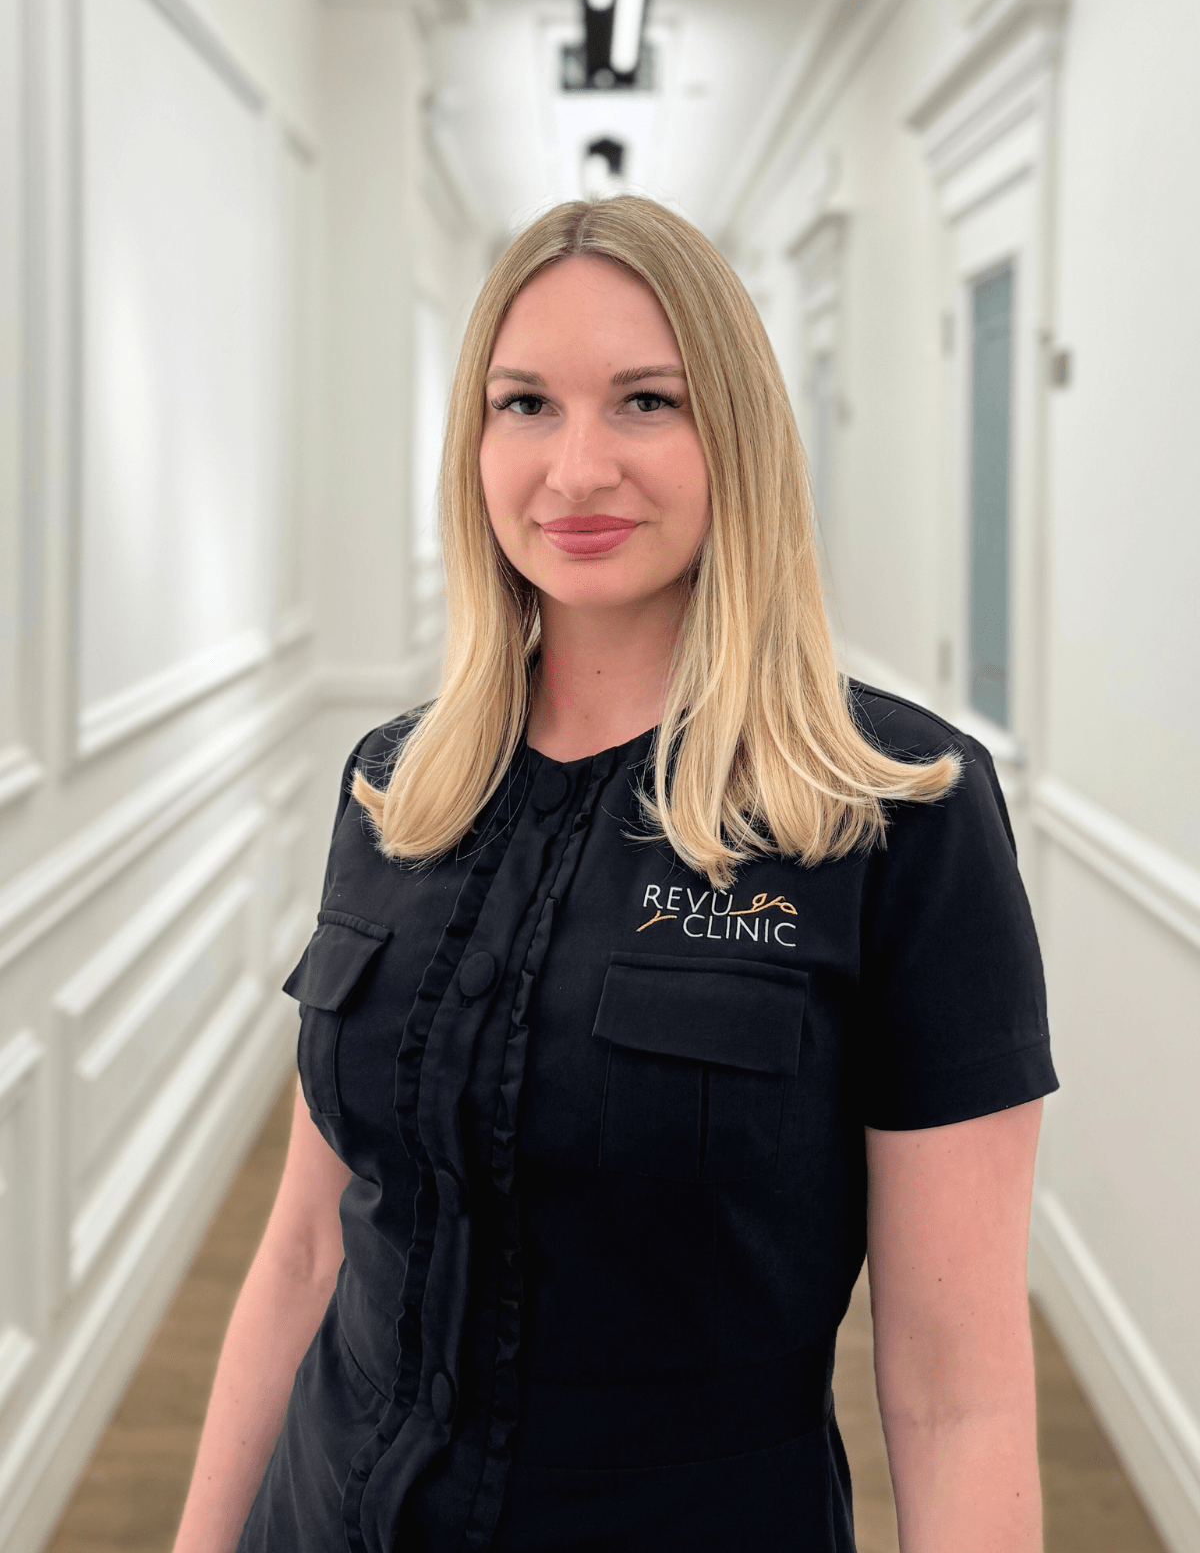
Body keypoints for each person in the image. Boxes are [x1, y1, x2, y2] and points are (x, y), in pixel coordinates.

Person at [173, 197, 1057, 1553]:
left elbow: (958, 1398)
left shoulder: (893, 816)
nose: (577, 469)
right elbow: (306, 1246)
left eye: (647, 401)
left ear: (736, 436)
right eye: (525, 404)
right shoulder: (397, 785)